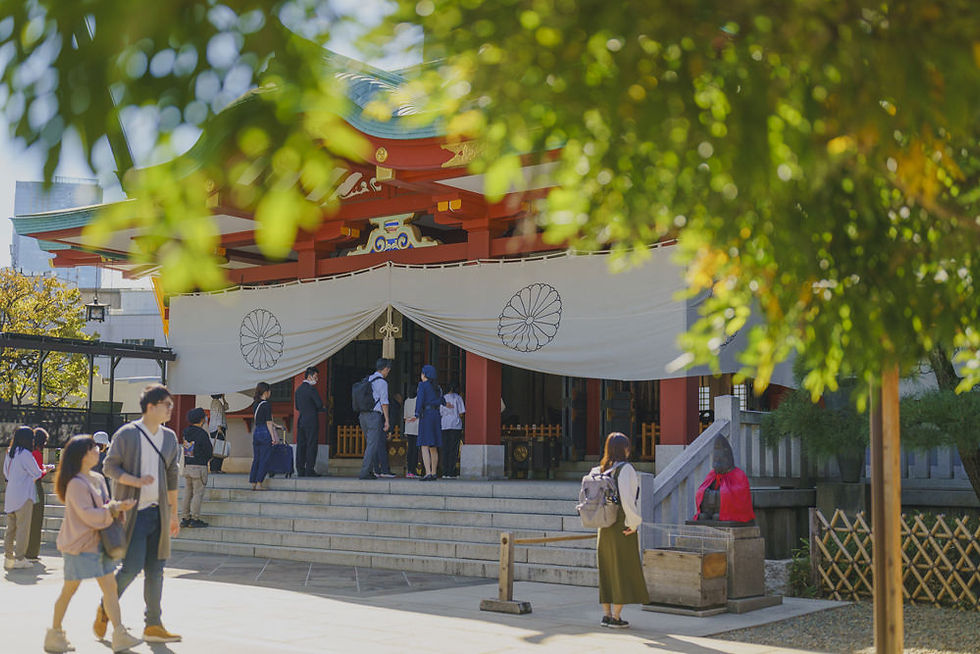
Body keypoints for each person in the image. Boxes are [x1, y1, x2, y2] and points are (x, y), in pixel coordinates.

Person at [97, 383, 183, 643]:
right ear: (150, 407)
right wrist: (134, 481)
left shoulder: (169, 438)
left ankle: (153, 624)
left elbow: (172, 476)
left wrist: (174, 513)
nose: (170, 409)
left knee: (157, 570)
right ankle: (105, 606)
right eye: (166, 405)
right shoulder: (127, 434)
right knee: (131, 567)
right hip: (132, 513)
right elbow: (109, 467)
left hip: (159, 513)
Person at [47, 435, 141, 654]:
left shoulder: (97, 478)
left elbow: (105, 505)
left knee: (109, 588)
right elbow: (88, 515)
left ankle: (119, 633)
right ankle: (54, 633)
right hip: (79, 545)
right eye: (93, 448)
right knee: (70, 590)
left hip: (99, 544)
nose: (98, 450)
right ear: (82, 455)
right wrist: (114, 510)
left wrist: (117, 506)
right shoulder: (75, 484)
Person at [592, 432, 648, 628]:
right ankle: (616, 617)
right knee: (622, 568)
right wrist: (633, 524)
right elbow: (627, 500)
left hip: (603, 524)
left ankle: (606, 614)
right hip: (621, 524)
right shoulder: (625, 470)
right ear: (625, 448)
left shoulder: (599, 469)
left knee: (607, 569)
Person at [4, 426, 44, 569]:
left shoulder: (10, 453)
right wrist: (45, 469)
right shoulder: (26, 454)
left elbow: (6, 474)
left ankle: (8, 558)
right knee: (23, 529)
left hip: (11, 495)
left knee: (10, 529)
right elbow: (37, 473)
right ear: (27, 439)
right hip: (24, 496)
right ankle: (20, 558)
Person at [357, 358, 392, 480]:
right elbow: (384, 402)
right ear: (385, 369)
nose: (388, 372)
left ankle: (371, 471)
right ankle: (365, 472)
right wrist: (387, 420)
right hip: (374, 416)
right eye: (388, 370)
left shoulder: (368, 379)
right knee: (372, 445)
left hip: (363, 415)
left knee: (370, 444)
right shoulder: (382, 382)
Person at [180, 408, 212, 528]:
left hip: (188, 465)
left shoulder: (186, 432)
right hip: (199, 467)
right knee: (198, 493)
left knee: (187, 493)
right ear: (201, 419)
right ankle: (195, 518)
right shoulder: (202, 433)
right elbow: (208, 450)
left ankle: (185, 518)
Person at [27, 427, 55, 560]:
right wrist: (47, 470)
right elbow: (38, 474)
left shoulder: (26, 452)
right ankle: (32, 551)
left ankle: (25, 549)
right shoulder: (37, 453)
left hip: (25, 488)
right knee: (37, 519)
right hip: (35, 487)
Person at [413, 364, 444, 481]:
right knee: (433, 445)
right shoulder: (437, 387)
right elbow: (441, 400)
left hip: (426, 415)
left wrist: (417, 413)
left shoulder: (422, 385)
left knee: (424, 444)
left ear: (424, 375)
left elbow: (420, 400)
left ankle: (428, 472)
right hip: (436, 415)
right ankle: (434, 472)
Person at [294, 366, 327, 477]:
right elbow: (319, 404)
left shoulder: (298, 390)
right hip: (312, 420)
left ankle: (300, 469)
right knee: (311, 444)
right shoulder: (312, 390)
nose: (317, 379)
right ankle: (309, 469)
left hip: (301, 419)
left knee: (301, 445)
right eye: (315, 377)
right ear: (309, 376)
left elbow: (297, 407)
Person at [249, 382, 281, 490]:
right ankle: (259, 483)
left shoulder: (255, 404)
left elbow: (261, 419)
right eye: (269, 391)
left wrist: (276, 425)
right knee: (264, 459)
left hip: (257, 431)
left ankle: (253, 482)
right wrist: (273, 437)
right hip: (265, 432)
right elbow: (268, 422)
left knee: (257, 458)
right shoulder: (266, 405)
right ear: (266, 392)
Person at [439, 382, 465, 479]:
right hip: (455, 424)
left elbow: (440, 412)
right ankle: (451, 471)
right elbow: (462, 412)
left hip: (445, 424)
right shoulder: (458, 398)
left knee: (445, 448)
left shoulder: (443, 398)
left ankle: (445, 471)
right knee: (453, 448)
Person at [208, 394, 229, 473]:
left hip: (215, 427)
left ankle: (216, 468)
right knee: (219, 449)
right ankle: (216, 468)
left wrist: (224, 398)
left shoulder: (216, 402)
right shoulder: (216, 403)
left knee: (217, 448)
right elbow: (218, 414)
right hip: (218, 428)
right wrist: (219, 426)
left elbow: (226, 408)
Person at [402, 392, 420, 478]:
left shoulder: (406, 401)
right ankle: (414, 470)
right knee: (415, 450)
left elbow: (405, 417)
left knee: (410, 450)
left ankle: (409, 471)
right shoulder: (418, 400)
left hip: (408, 427)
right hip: (416, 427)